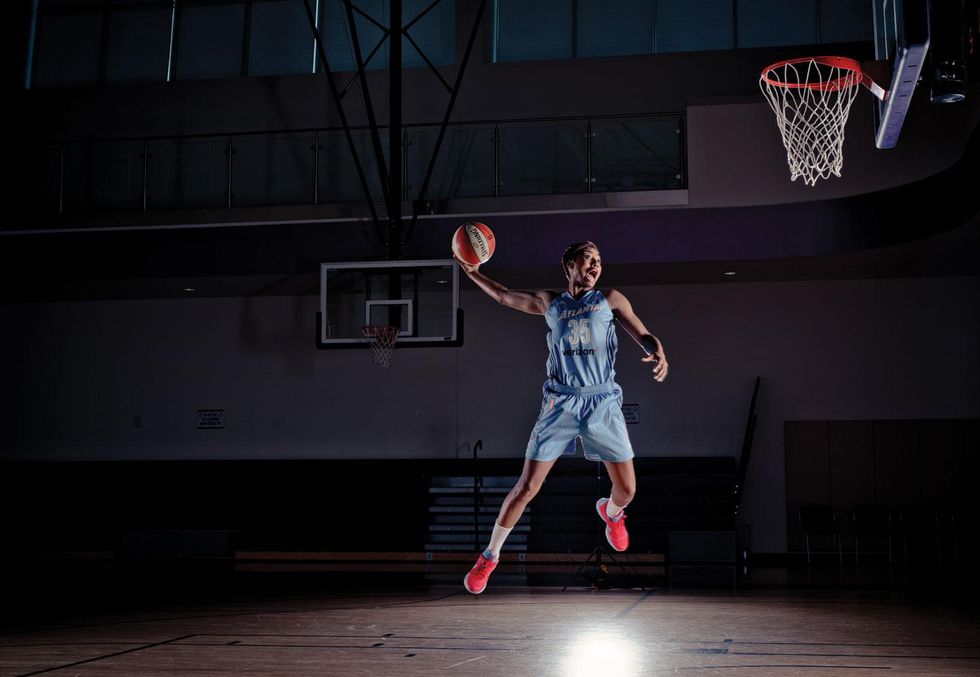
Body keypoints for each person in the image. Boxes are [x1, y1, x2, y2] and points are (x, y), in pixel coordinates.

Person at [456, 241, 668, 594]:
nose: (596, 265)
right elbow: (505, 296)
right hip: (561, 402)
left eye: (600, 260)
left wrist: (656, 351)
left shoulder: (610, 299)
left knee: (628, 489)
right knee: (526, 487)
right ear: (570, 263)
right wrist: (474, 273)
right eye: (589, 258)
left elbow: (643, 333)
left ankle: (612, 513)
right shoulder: (549, 303)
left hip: (601, 400)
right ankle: (490, 556)